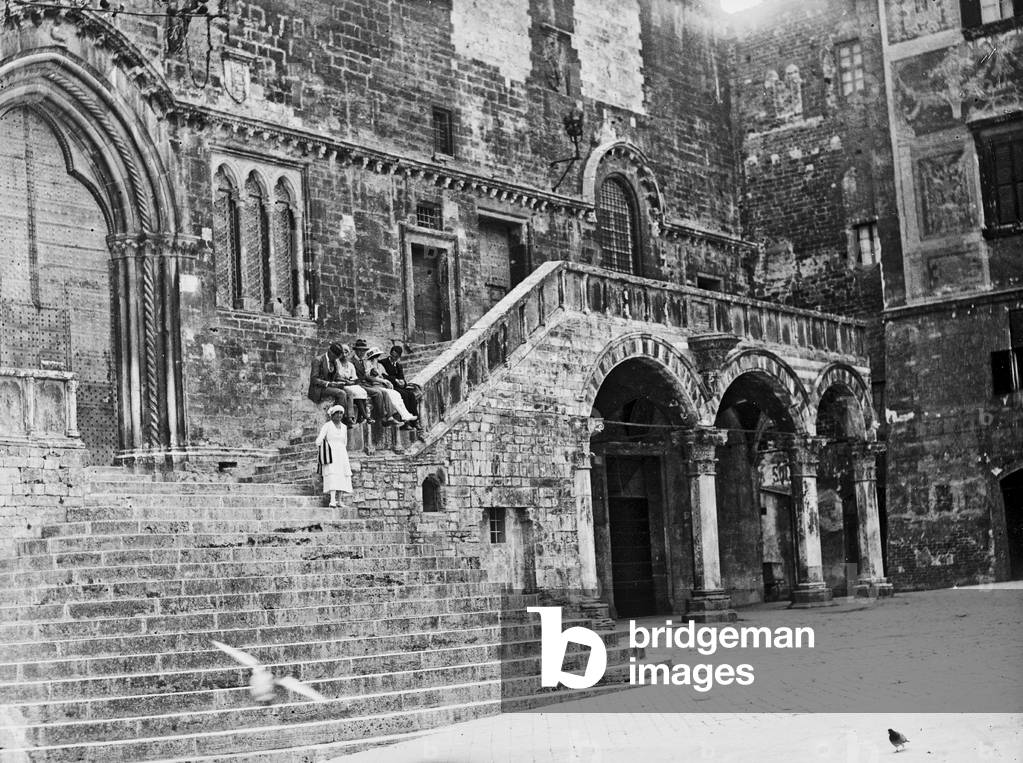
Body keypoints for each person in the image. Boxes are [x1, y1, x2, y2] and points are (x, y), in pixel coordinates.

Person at [350, 338, 399, 424]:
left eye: (364, 351)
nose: (362, 353)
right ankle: (382, 417)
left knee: (385, 392)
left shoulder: (364, 361)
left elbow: (367, 375)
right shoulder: (352, 361)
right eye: (360, 351)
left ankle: (390, 416)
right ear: (356, 351)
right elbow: (357, 376)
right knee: (377, 393)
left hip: (366, 383)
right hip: (358, 384)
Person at [365, 346, 418, 424]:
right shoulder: (368, 364)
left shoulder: (379, 365)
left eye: (377, 356)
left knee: (398, 394)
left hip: (383, 385)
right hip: (375, 386)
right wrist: (384, 380)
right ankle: (400, 416)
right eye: (374, 357)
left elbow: (384, 375)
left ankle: (406, 415)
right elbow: (369, 376)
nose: (376, 358)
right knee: (395, 394)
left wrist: (394, 382)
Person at [380, 345, 424, 436]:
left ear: (399, 357)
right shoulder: (383, 362)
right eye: (392, 356)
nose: (394, 358)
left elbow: (402, 377)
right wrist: (395, 380)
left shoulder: (399, 366)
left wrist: (403, 382)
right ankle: (406, 421)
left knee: (411, 395)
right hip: (389, 386)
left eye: (396, 357)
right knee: (403, 395)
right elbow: (383, 375)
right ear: (390, 353)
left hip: (398, 386)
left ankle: (415, 421)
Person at [315, 405, 352, 508]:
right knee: (332, 474)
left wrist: (341, 449)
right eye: (337, 413)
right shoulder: (327, 426)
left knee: (342, 474)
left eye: (341, 413)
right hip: (330, 453)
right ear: (332, 415)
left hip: (341, 453)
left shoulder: (344, 427)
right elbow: (318, 440)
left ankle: (339, 500)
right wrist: (325, 447)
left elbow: (345, 442)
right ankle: (332, 500)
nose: (339, 415)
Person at [307, 344, 354, 425]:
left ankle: (349, 417)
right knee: (341, 393)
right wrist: (329, 383)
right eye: (335, 356)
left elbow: (337, 376)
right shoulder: (318, 360)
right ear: (330, 352)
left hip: (330, 386)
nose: (335, 359)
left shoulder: (334, 362)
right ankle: (340, 420)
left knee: (349, 392)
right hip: (319, 389)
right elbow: (314, 379)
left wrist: (346, 381)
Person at [335, 344, 373, 424]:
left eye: (346, 352)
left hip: (350, 384)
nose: (344, 355)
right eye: (342, 353)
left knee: (361, 391)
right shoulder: (337, 363)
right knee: (353, 392)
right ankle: (365, 416)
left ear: (348, 353)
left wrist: (351, 382)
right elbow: (336, 376)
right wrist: (346, 381)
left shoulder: (350, 365)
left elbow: (354, 378)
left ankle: (361, 416)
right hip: (341, 384)